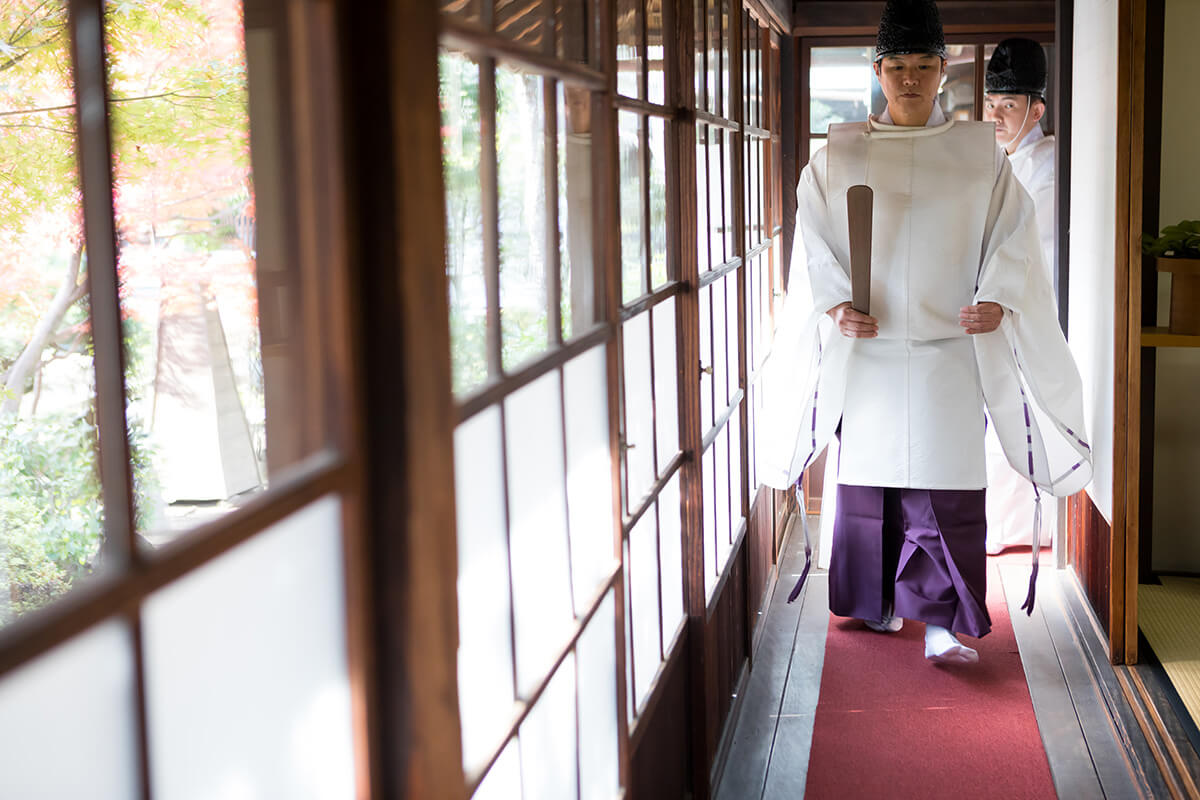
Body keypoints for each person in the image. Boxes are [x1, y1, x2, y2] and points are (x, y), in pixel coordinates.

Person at [758, 0, 1092, 665]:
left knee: (946, 482)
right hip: (872, 346)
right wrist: (831, 306)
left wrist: (996, 296)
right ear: (877, 70)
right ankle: (875, 603)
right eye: (897, 67)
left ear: (944, 69)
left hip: (948, 346)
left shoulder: (978, 155)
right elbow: (814, 243)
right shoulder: (839, 152)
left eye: (923, 66)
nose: (909, 80)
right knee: (871, 483)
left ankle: (942, 618)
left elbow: (1012, 235)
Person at [982, 38, 1058, 554]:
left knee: (1021, 417)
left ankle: (1019, 529)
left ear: (1037, 109)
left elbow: (1038, 253)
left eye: (1009, 105)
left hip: (1029, 311)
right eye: (992, 105)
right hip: (999, 308)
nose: (996, 117)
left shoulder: (1046, 168)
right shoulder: (1004, 162)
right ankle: (1005, 526)